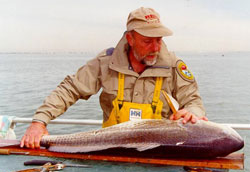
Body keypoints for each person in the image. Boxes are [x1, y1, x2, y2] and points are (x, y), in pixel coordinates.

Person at [21, 7, 208, 149]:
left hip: (159, 150)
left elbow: (193, 100)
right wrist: (39, 122)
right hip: (110, 148)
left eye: (159, 39)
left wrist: (192, 113)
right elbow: (70, 89)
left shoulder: (174, 65)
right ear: (130, 39)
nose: (156, 47)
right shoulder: (105, 62)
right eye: (147, 41)